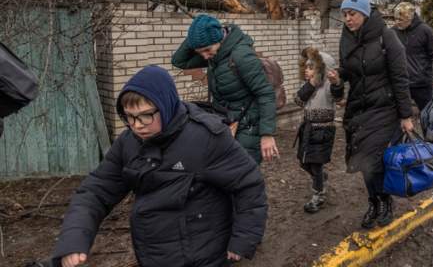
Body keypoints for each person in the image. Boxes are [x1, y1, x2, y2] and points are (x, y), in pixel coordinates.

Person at [52, 65, 268, 267]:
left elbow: (248, 184)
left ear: (165, 106)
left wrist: (243, 239)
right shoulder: (128, 142)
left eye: (146, 115)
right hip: (152, 252)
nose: (137, 125)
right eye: (130, 117)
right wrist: (74, 240)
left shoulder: (206, 138)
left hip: (203, 254)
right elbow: (95, 191)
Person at [328, 0, 414, 229]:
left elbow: (400, 77)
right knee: (363, 160)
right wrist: (337, 79)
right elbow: (348, 71)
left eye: (352, 13)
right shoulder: (346, 38)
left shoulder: (387, 37)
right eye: (345, 14)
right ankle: (374, 202)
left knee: (374, 159)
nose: (348, 19)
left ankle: (385, 201)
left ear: (365, 13)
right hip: (358, 109)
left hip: (385, 108)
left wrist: (406, 115)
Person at [172, 14, 279, 164]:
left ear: (219, 38)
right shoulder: (215, 55)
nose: (204, 56)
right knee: (227, 177)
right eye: (199, 52)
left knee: (243, 177)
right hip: (226, 123)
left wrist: (267, 134)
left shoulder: (241, 56)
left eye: (207, 50)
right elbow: (179, 61)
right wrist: (195, 36)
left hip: (248, 128)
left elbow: (265, 94)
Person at [294, 47, 342, 213]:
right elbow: (298, 100)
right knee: (304, 162)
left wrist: (336, 83)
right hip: (307, 129)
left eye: (311, 67)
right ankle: (321, 178)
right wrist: (311, 84)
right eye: (306, 67)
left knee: (316, 164)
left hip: (323, 132)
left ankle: (318, 195)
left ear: (322, 69)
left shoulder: (329, 86)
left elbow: (338, 96)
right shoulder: (308, 85)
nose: (307, 71)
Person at [392, 2, 433, 111]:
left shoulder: (424, 31)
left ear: (410, 18)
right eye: (395, 19)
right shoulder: (393, 32)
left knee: (428, 117)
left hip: (422, 84)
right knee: (398, 118)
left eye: (401, 19)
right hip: (401, 84)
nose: (397, 22)